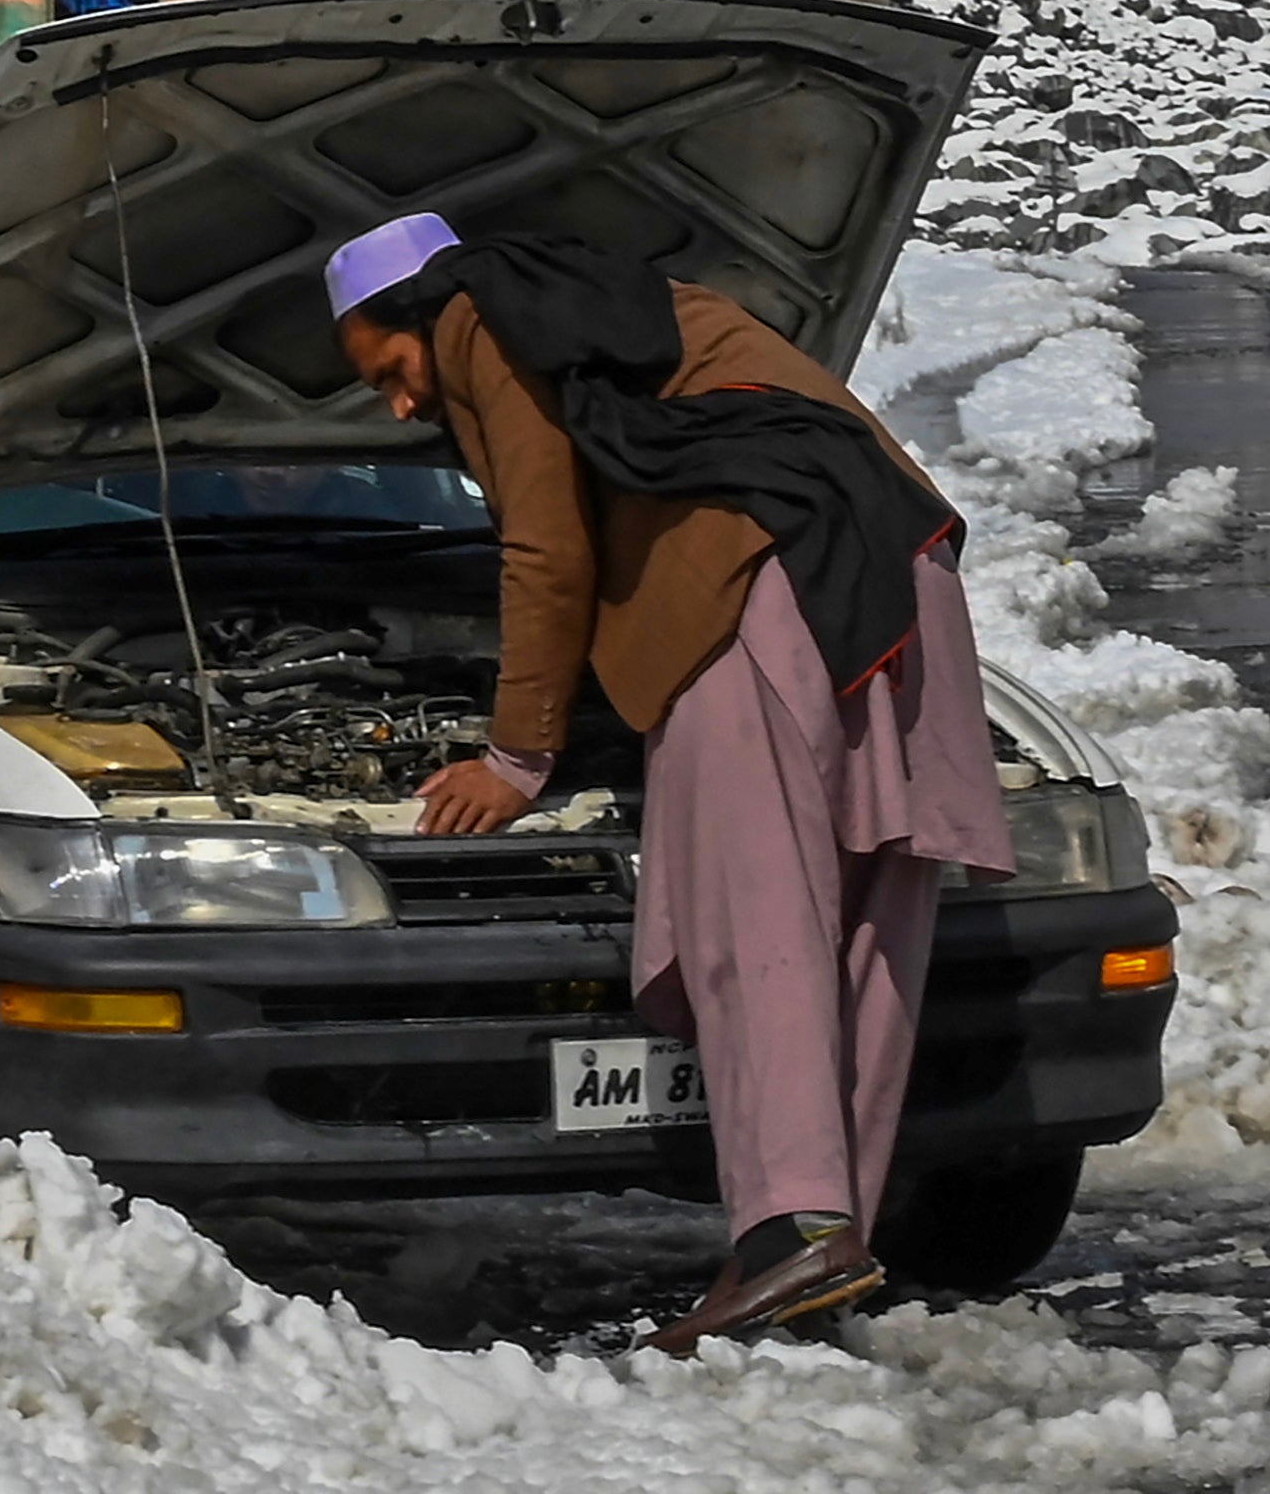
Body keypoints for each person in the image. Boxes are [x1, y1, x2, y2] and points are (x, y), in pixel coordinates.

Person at [324, 211, 1014, 1353]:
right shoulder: (603, 299)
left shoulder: (483, 321)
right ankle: (832, 1235)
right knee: (872, 914)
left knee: (760, 916)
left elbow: (546, 542)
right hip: (897, 569)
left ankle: (790, 1224)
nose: (401, 404)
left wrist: (518, 755)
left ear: (420, 313)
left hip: (769, 585)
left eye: (388, 370)